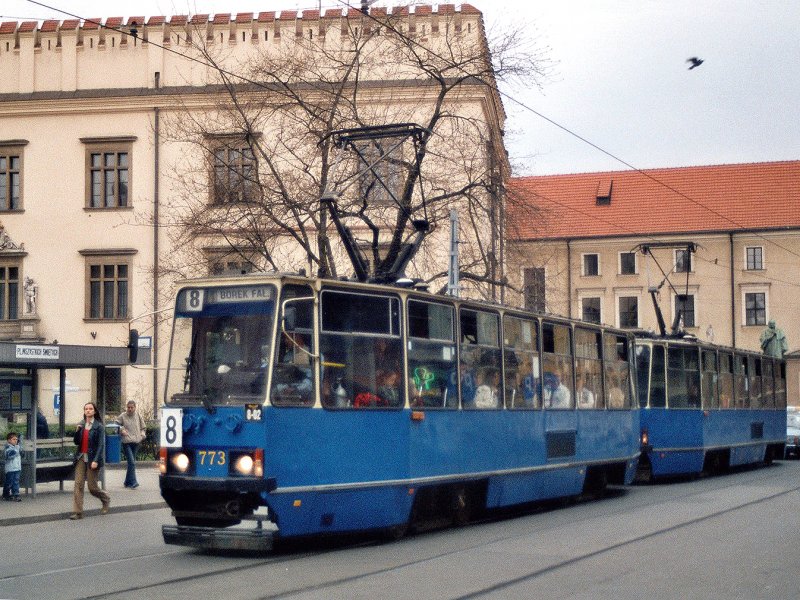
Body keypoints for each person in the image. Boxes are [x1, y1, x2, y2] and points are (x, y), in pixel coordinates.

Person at [70, 402, 110, 520]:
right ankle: (78, 512)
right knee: (78, 484)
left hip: (93, 458)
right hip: (81, 457)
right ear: (84, 411)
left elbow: (100, 445)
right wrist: (77, 431)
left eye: (90, 409)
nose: (88, 411)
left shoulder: (99, 426)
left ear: (94, 411)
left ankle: (105, 499)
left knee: (92, 487)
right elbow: (76, 442)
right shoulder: (81, 425)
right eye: (86, 409)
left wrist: (96, 460)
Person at [115, 400, 147, 489]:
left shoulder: (138, 415)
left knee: (131, 463)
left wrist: (142, 433)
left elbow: (143, 427)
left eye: (131, 407)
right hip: (127, 442)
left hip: (136, 442)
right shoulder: (122, 416)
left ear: (135, 407)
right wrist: (121, 429)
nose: (129, 409)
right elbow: (116, 424)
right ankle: (133, 482)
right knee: (132, 462)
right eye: (128, 407)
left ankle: (127, 482)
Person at [3, 432, 22, 502]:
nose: (15, 441)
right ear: (9, 440)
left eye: (16, 439)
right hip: (10, 469)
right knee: (9, 482)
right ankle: (6, 494)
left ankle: (16, 494)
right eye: (13, 439)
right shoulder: (7, 448)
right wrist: (17, 449)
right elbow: (10, 456)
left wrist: (18, 447)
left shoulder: (16, 447)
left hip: (17, 468)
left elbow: (21, 453)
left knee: (16, 482)